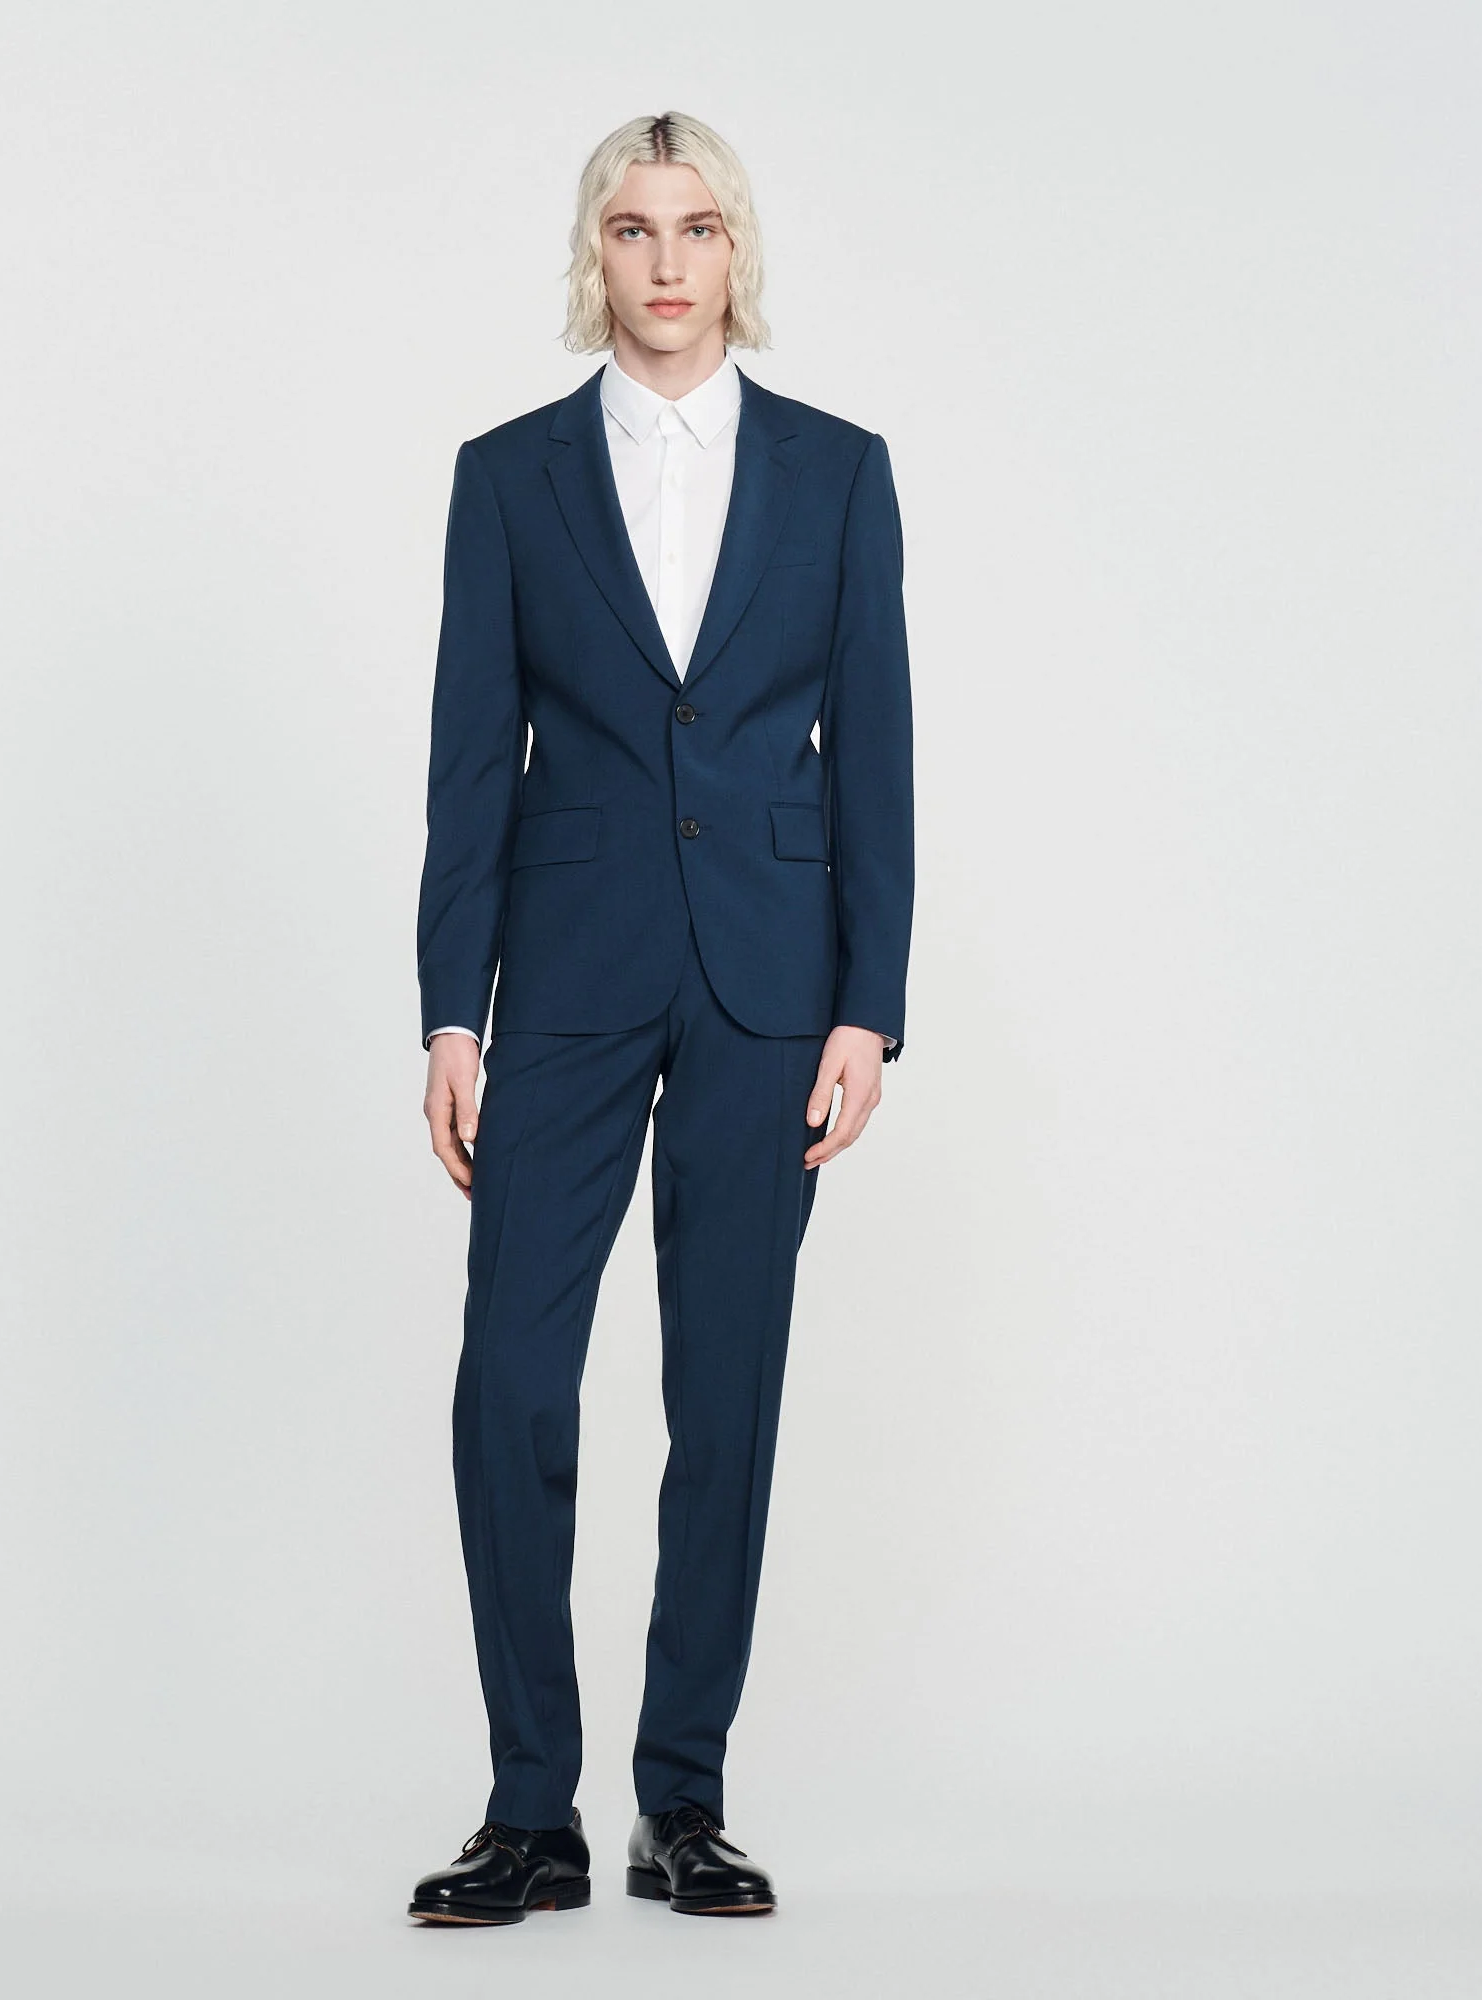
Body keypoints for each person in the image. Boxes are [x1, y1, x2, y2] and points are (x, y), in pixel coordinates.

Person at [407, 109, 913, 1925]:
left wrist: (870, 1004)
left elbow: (877, 749)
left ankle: (680, 1800)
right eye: (634, 228)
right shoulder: (509, 476)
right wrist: (449, 1012)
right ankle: (528, 1808)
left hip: (771, 985)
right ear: (596, 254)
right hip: (564, 975)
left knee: (728, 1394)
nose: (668, 260)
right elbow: (472, 759)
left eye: (697, 226)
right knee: (511, 1379)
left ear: (735, 250)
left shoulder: (839, 472)